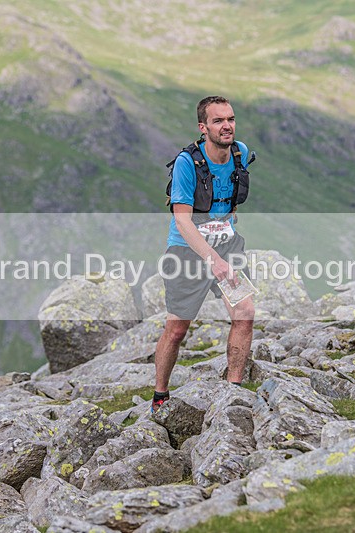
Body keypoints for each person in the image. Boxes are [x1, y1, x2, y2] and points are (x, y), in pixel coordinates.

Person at [152, 95, 255, 413]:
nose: (227, 126)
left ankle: (233, 393)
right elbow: (182, 221)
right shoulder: (187, 163)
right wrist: (213, 260)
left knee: (245, 313)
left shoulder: (240, 153)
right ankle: (160, 395)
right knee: (177, 329)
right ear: (203, 127)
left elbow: (232, 195)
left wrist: (226, 229)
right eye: (218, 120)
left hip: (227, 246)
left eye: (230, 119)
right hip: (187, 251)